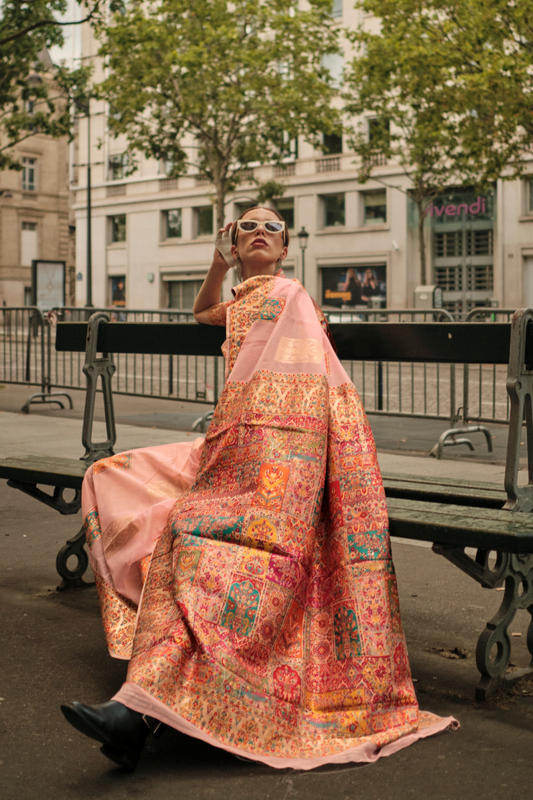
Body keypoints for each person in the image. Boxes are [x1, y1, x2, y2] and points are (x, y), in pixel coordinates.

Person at [61, 206, 457, 771]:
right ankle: (153, 686)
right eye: (248, 225)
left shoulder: (290, 295)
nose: (260, 232)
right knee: (106, 476)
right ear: (235, 241)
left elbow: (304, 391)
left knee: (191, 540)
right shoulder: (244, 300)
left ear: (286, 248)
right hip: (230, 445)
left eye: (273, 227)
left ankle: (141, 709)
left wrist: (260, 451)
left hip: (279, 454)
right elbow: (203, 311)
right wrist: (218, 263)